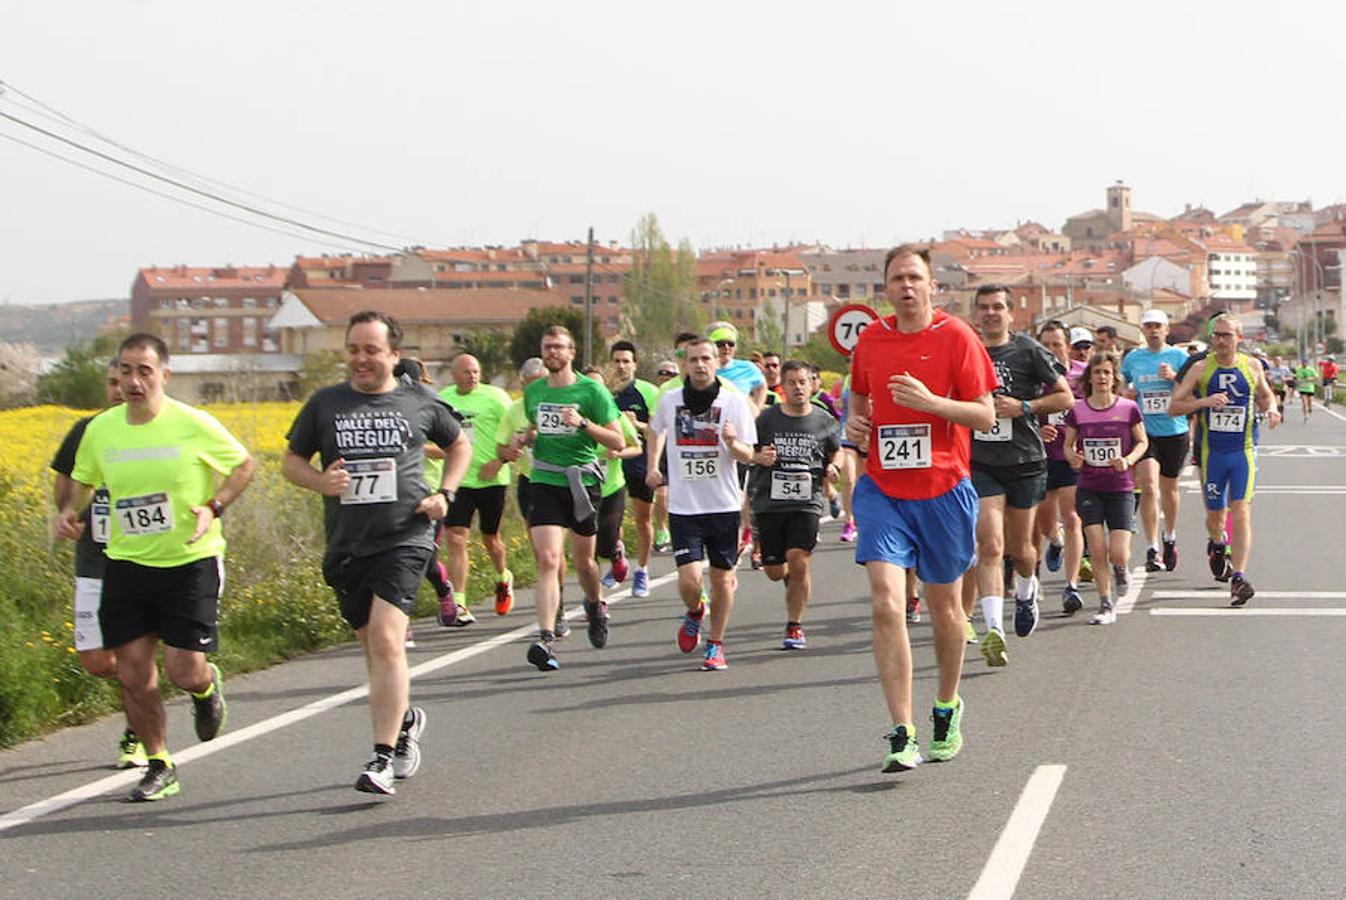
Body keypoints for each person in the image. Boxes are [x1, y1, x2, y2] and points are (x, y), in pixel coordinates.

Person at [55, 334, 257, 802]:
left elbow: (243, 464)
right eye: (125, 371)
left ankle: (206, 690)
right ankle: (160, 762)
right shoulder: (101, 429)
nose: (133, 380)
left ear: (165, 375)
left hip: (190, 561)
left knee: (184, 671)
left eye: (144, 371)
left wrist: (215, 505)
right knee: (134, 674)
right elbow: (81, 481)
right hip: (126, 564)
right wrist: (69, 512)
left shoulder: (193, 423)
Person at [283, 311, 471, 795]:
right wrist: (321, 481)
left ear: (393, 355)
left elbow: (460, 447)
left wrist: (445, 495)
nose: (361, 359)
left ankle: (382, 758)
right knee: (374, 649)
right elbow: (291, 462)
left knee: (389, 641)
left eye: (371, 350)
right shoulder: (325, 404)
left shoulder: (418, 401)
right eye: (353, 349)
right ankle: (404, 718)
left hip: (406, 537)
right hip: (348, 544)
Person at [845, 245, 996, 773]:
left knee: (945, 611)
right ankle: (901, 730)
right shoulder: (871, 339)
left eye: (915, 278)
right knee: (887, 602)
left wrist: (931, 405)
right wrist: (855, 426)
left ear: (933, 286)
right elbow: (859, 397)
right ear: (885, 288)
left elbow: (984, 415)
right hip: (883, 489)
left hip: (943, 490)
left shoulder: (957, 337)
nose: (906, 287)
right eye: (897, 279)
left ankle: (947, 706)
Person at [959, 286, 1072, 667]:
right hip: (981, 461)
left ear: (1010, 314)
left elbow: (1065, 397)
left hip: (1024, 459)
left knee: (1021, 550)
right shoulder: (965, 349)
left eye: (998, 308)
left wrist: (1024, 406)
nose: (991, 313)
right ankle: (994, 629)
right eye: (984, 308)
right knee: (988, 544)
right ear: (976, 314)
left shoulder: (1028, 351)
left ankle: (1026, 589)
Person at [50, 359, 144, 769]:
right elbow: (65, 482)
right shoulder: (87, 430)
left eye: (125, 380)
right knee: (96, 660)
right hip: (93, 559)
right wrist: (68, 512)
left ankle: (136, 734)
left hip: (142, 561)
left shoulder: (152, 433)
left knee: (130, 655)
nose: (119, 389)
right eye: (111, 382)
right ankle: (145, 685)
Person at [646, 338, 757, 670]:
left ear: (715, 362)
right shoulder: (670, 399)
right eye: (693, 359)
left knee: (722, 580)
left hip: (723, 505)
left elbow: (749, 454)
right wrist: (653, 466)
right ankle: (695, 611)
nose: (700, 365)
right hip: (684, 508)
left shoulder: (733, 401)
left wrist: (732, 442)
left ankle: (716, 644)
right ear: (685, 363)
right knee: (690, 580)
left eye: (706, 358)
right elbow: (655, 431)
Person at [521, 325, 625, 671]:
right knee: (549, 558)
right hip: (544, 479)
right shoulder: (533, 391)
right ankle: (546, 638)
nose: (552, 352)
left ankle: (595, 605)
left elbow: (618, 442)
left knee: (584, 563)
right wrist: (527, 437)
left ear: (571, 352)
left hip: (581, 482)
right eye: (547, 347)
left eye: (558, 347)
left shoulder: (592, 391)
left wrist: (582, 424)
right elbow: (540, 430)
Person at [1169, 314, 1280, 605]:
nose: (1220, 340)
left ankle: (1239, 577)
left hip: (1242, 452)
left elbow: (1267, 396)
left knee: (1241, 509)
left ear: (1239, 338)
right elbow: (1174, 407)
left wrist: (1272, 410)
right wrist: (1203, 402)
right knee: (1216, 517)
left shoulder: (1252, 366)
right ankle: (1218, 544)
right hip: (1212, 453)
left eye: (1226, 335)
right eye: (1216, 335)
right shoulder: (1201, 368)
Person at [748, 359, 841, 649]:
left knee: (799, 559)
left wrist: (834, 468)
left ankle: (794, 626)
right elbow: (750, 452)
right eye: (792, 382)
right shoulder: (766, 420)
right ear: (783, 386)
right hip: (770, 502)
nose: (798, 387)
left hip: (807, 501)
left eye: (803, 382)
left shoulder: (824, 420)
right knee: (775, 571)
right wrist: (759, 457)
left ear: (812, 384)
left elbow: (835, 453)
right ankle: (784, 571)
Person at [1063, 351, 1147, 625]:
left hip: (1121, 487)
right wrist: (1072, 456)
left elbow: (1142, 442)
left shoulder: (1127, 408)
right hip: (1089, 487)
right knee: (1097, 549)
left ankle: (1121, 569)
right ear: (1089, 378)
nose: (1101, 377)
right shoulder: (1078, 410)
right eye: (1097, 372)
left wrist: (1128, 460)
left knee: (1118, 553)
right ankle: (1105, 603)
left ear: (1115, 378)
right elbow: (1068, 444)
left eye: (1107, 372)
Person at [438, 353, 515, 623]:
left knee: (491, 540)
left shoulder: (496, 397)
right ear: (453, 374)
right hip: (459, 479)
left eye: (476, 371)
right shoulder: (444, 398)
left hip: (491, 478)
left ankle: (502, 576)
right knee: (456, 538)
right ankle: (459, 602)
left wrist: (500, 460)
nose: (472, 376)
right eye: (466, 371)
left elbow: (517, 433)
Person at [391, 357, 456, 647]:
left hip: (429, 495)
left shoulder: (429, 405)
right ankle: (400, 624)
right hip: (392, 497)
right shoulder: (386, 409)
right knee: (395, 562)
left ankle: (443, 590)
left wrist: (417, 447)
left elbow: (452, 448)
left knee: (425, 561)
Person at [1120, 309, 1190, 574]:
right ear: (1142, 330)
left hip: (1174, 430)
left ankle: (1169, 537)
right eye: (1148, 326)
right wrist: (1126, 393)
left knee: (1170, 489)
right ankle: (1152, 548)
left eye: (1157, 326)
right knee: (1149, 487)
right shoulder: (1133, 358)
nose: (1153, 330)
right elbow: (1121, 384)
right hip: (1144, 432)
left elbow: (1192, 388)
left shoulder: (1179, 357)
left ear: (1166, 329)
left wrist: (1174, 378)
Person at [1033, 321, 1089, 615]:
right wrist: (1035, 431)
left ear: (1067, 346)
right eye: (1046, 345)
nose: (1052, 350)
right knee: (1044, 523)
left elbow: (1095, 410)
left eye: (1057, 344)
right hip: (1040, 457)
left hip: (1071, 458)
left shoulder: (1082, 376)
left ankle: (1072, 586)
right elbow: (1019, 412)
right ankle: (1053, 541)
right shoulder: (1031, 376)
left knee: (1073, 519)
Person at [581, 366, 644, 597]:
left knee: (606, 542)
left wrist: (619, 454)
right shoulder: (574, 418)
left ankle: (616, 551)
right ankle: (595, 598)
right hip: (584, 487)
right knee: (590, 549)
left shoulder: (614, 415)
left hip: (612, 487)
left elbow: (636, 448)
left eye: (597, 386)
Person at [607, 340, 660, 596]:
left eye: (626, 361)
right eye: (616, 361)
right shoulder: (604, 392)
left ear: (635, 365)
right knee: (609, 520)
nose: (621, 366)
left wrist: (637, 424)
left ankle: (642, 570)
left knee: (642, 518)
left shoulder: (648, 392)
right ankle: (617, 557)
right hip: (611, 464)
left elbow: (659, 430)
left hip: (639, 461)